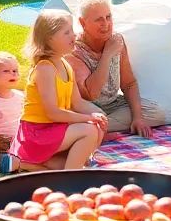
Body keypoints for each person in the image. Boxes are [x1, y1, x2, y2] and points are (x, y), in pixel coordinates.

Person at [12, 10, 108, 171]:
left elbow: (76, 102)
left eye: (72, 30)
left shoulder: (65, 65)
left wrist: (99, 114)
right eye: (67, 32)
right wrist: (88, 118)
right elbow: (53, 113)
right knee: (89, 129)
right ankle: (69, 179)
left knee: (96, 128)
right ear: (49, 39)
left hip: (53, 130)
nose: (74, 35)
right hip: (36, 134)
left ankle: (32, 166)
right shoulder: (45, 68)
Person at [67, 0, 167, 139]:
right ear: (83, 23)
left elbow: (128, 84)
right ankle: (88, 130)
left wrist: (138, 118)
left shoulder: (117, 41)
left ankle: (94, 130)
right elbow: (91, 94)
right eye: (99, 20)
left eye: (108, 17)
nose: (106, 24)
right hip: (86, 109)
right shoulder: (73, 50)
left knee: (157, 113)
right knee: (94, 117)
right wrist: (107, 55)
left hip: (114, 106)